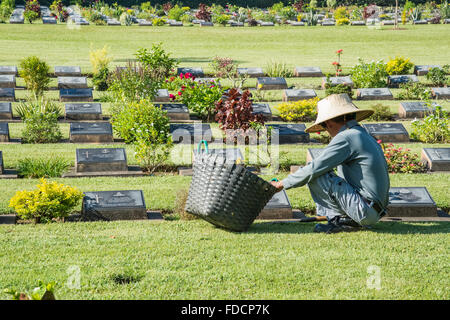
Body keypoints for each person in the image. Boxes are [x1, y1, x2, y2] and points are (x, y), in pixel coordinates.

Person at [271, 93, 390, 234]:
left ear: (329, 122)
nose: (325, 129)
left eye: (324, 124)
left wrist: (281, 184)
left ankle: (337, 221)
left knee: (317, 175)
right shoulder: (361, 133)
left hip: (364, 210)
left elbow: (314, 168)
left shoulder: (346, 137)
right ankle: (347, 219)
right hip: (372, 210)